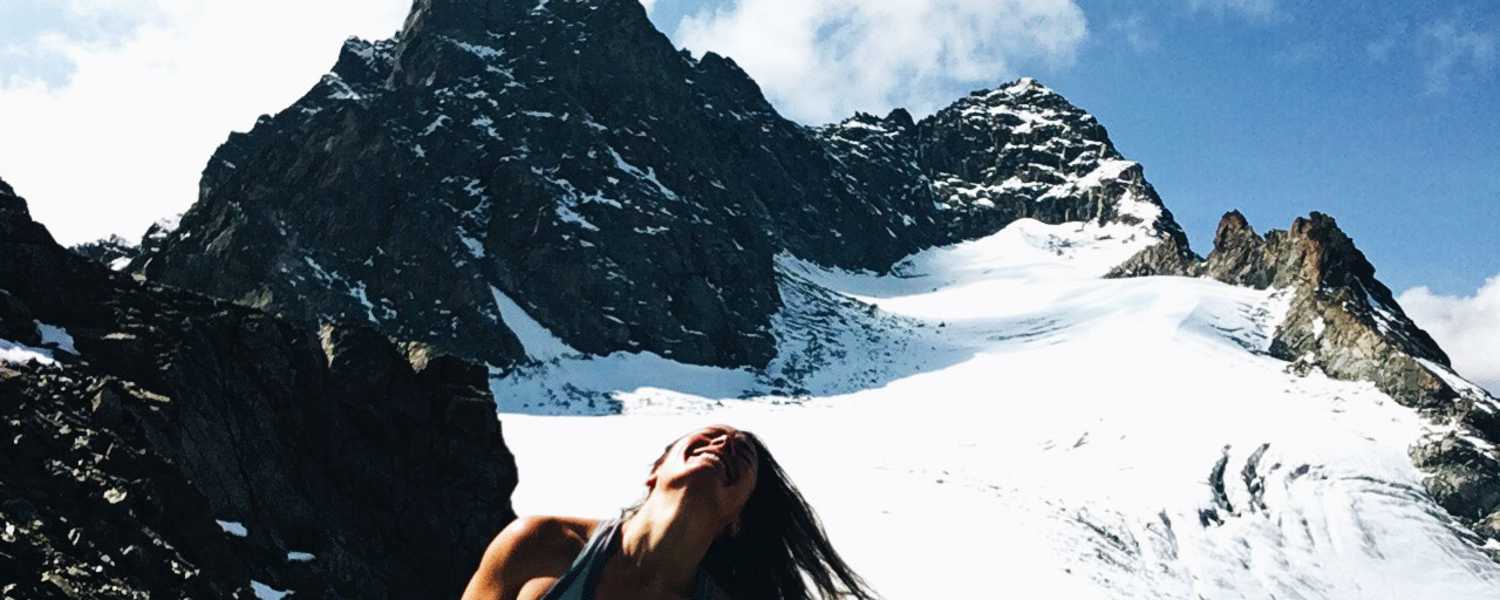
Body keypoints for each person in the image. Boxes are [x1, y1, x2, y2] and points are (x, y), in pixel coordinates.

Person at [462, 424, 879, 600]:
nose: (724, 445)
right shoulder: (540, 542)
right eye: (710, 437)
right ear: (655, 470)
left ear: (737, 520)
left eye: (741, 455)